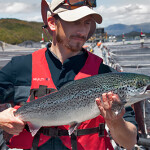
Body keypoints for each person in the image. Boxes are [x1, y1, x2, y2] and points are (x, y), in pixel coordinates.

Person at [0, 0, 138, 150]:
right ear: (52, 23)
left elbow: (129, 142)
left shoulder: (107, 75)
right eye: (75, 21)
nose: (83, 30)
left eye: (87, 22)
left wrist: (115, 121)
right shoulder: (19, 68)